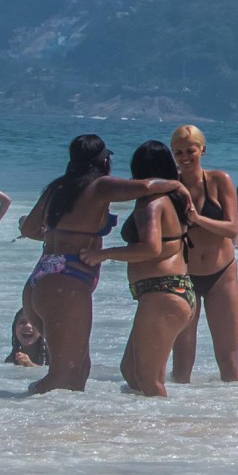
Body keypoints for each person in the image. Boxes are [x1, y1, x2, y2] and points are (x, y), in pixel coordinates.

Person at [19, 134, 185, 394]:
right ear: (104, 160)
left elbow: (29, 228)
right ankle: (19, 421)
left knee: (79, 372)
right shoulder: (100, 186)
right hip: (66, 282)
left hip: (42, 276)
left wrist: (61, 238)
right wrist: (177, 184)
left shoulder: (57, 187)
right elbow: (147, 186)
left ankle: (62, 430)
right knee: (61, 376)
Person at [84, 141, 196, 398]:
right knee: (132, 371)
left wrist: (104, 254)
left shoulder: (152, 203)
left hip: (164, 292)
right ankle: (145, 432)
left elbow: (150, 248)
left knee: (148, 379)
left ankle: (165, 433)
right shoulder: (174, 198)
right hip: (170, 291)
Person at [168, 124, 238, 386]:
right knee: (181, 363)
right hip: (185, 274)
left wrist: (197, 219)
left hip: (221, 274)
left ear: (203, 150)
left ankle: (235, 418)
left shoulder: (218, 180)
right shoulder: (172, 186)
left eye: (190, 150)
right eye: (178, 153)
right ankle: (177, 419)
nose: (184, 157)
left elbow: (233, 228)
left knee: (229, 359)